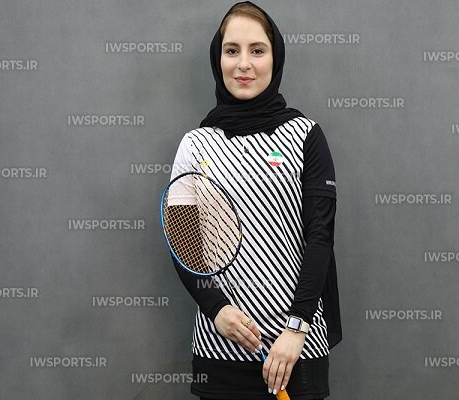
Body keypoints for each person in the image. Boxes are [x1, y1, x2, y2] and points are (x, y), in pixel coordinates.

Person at [168, 2, 341, 399]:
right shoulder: (194, 145)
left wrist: (297, 328)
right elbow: (182, 244)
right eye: (232, 50)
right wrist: (217, 310)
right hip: (219, 350)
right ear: (218, 59)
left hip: (296, 351)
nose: (243, 63)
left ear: (275, 58)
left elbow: (320, 238)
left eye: (257, 50)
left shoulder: (306, 136)